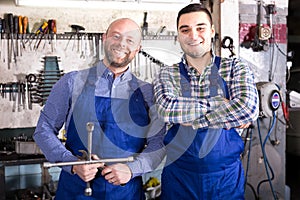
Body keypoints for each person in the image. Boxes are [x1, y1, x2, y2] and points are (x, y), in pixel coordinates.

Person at [33, 18, 166, 200]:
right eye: (116, 36)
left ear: (138, 48)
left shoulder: (147, 93)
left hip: (125, 193)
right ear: (104, 38)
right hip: (75, 191)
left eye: (130, 40)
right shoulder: (71, 83)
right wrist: (71, 164)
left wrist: (132, 169)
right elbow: (43, 130)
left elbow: (158, 144)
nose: (121, 44)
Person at [153, 3, 259, 200]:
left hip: (225, 180)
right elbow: (167, 109)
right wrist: (222, 104)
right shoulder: (167, 74)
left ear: (211, 31)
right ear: (178, 35)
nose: (193, 36)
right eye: (185, 30)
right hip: (179, 179)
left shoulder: (236, 68)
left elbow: (247, 109)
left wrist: (191, 117)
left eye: (200, 28)